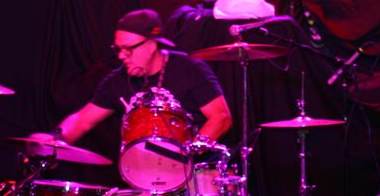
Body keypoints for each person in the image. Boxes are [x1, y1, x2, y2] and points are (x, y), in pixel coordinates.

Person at [33, 9, 232, 146]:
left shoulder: (189, 69)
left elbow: (221, 118)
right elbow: (82, 120)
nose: (121, 56)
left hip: (194, 172)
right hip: (143, 172)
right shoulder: (117, 81)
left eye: (128, 49)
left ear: (152, 45)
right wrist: (54, 139)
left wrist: (188, 155)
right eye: (118, 49)